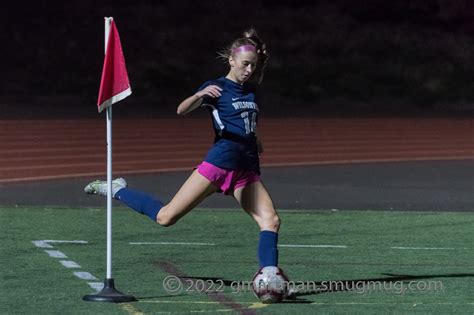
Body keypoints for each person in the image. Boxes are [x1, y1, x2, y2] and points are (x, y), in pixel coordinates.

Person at [85, 29, 281, 271]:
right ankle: (115, 189)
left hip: (246, 170)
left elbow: (247, 122)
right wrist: (199, 94)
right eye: (245, 64)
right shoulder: (217, 87)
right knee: (165, 217)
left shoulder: (251, 92)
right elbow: (181, 110)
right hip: (218, 165)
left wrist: (256, 141)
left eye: (253, 65)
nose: (249, 70)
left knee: (270, 221)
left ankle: (270, 277)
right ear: (231, 60)